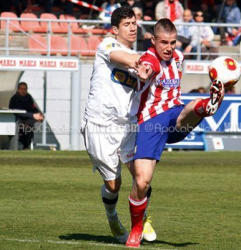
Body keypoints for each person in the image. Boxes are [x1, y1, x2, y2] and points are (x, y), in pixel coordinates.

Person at [125, 18, 226, 248]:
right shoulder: (150, 58)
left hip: (175, 116)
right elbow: (147, 68)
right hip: (150, 122)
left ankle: (207, 106)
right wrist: (142, 75)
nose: (169, 47)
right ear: (153, 40)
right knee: (142, 182)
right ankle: (136, 228)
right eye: (164, 42)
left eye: (173, 42)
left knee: (191, 106)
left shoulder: (179, 57)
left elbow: (175, 80)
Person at [80, 7, 156, 245]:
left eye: (134, 23)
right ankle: (112, 217)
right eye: (126, 24)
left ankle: (142, 220)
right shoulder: (107, 46)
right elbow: (128, 59)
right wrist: (151, 61)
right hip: (100, 124)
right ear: (115, 29)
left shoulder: (141, 58)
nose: (132, 27)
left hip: (128, 127)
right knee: (114, 184)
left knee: (143, 176)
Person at [9, 82, 44, 150]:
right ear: (18, 89)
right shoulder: (14, 99)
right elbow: (19, 113)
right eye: (21, 89)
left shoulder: (28, 97)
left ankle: (26, 146)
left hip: (28, 120)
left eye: (25, 89)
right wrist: (33, 115)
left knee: (29, 125)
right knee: (26, 126)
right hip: (17, 120)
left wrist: (39, 114)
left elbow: (33, 108)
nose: (23, 90)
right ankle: (25, 146)